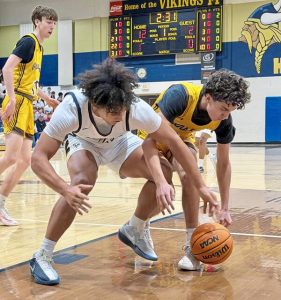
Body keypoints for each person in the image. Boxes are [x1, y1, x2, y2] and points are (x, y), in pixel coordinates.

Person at [29, 58, 218, 285]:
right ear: (94, 103)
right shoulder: (71, 109)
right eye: (111, 111)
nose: (119, 115)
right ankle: (42, 255)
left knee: (163, 173)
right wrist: (64, 189)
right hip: (83, 141)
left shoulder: (136, 108)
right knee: (82, 182)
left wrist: (202, 187)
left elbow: (177, 144)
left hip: (119, 142)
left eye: (122, 109)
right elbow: (38, 158)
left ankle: (135, 228)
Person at [119, 69, 251, 271]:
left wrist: (225, 206)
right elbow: (151, 141)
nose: (225, 116)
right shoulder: (180, 95)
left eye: (230, 111)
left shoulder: (224, 121)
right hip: (148, 139)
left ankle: (192, 246)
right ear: (208, 97)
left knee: (191, 176)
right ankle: (136, 226)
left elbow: (223, 163)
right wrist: (162, 182)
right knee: (164, 180)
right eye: (224, 109)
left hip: (180, 141)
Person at [0, 6, 59, 226]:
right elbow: (6, 70)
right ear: (37, 21)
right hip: (18, 102)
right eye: (48, 21)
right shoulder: (28, 42)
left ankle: (0, 205)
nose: (51, 26)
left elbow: (31, 83)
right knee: (12, 157)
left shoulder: (40, 49)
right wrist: (13, 100)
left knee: (25, 161)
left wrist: (47, 99)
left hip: (28, 103)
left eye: (54, 22)